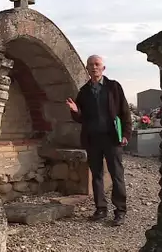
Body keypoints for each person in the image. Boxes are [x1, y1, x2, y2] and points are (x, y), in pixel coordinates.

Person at [66, 55, 133, 226]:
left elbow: (124, 112)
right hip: (93, 139)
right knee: (96, 176)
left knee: (117, 175)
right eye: (90, 65)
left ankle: (120, 211)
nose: (94, 67)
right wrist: (75, 111)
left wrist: (126, 134)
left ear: (103, 68)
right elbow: (81, 118)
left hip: (112, 139)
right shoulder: (84, 91)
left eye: (97, 64)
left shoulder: (114, 87)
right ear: (87, 69)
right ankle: (101, 209)